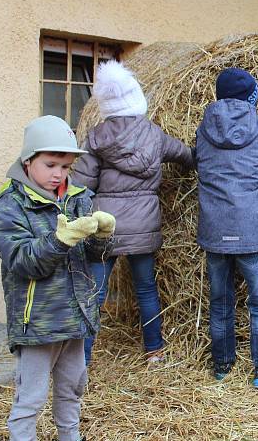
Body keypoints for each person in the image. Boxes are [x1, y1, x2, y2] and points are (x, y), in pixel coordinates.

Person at [0, 115, 115, 441]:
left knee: (72, 390)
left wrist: (102, 236)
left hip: (75, 317)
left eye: (66, 166)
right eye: (50, 164)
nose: (58, 173)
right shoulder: (9, 205)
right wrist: (60, 240)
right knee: (30, 398)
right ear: (28, 160)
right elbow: (24, 261)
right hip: (38, 323)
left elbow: (92, 256)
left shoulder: (77, 197)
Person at [73, 60, 194, 365]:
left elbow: (80, 184)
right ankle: (154, 349)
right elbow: (186, 156)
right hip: (143, 224)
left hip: (106, 228)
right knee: (146, 289)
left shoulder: (97, 138)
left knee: (95, 295)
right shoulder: (154, 135)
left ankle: (81, 359)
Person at [195, 67, 258, 389]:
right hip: (250, 228)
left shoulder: (203, 130)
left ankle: (222, 364)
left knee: (220, 301)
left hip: (215, 228)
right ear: (252, 96)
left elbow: (198, 161)